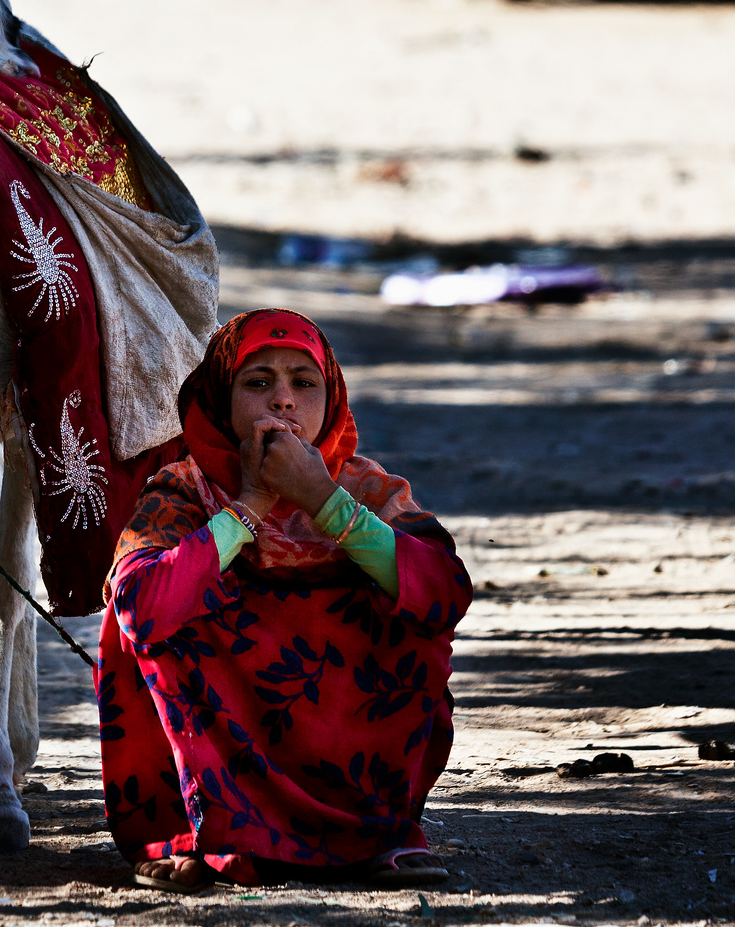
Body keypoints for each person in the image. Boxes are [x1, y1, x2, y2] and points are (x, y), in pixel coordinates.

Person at [95, 309, 473, 893]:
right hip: (225, 727)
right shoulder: (183, 489)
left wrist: (322, 499)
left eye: (304, 382)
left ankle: (380, 833)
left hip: (344, 739)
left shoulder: (364, 487)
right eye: (257, 382)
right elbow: (142, 608)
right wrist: (247, 507)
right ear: (222, 398)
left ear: (332, 395)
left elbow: (444, 592)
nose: (283, 401)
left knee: (408, 600)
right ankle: (191, 831)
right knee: (152, 604)